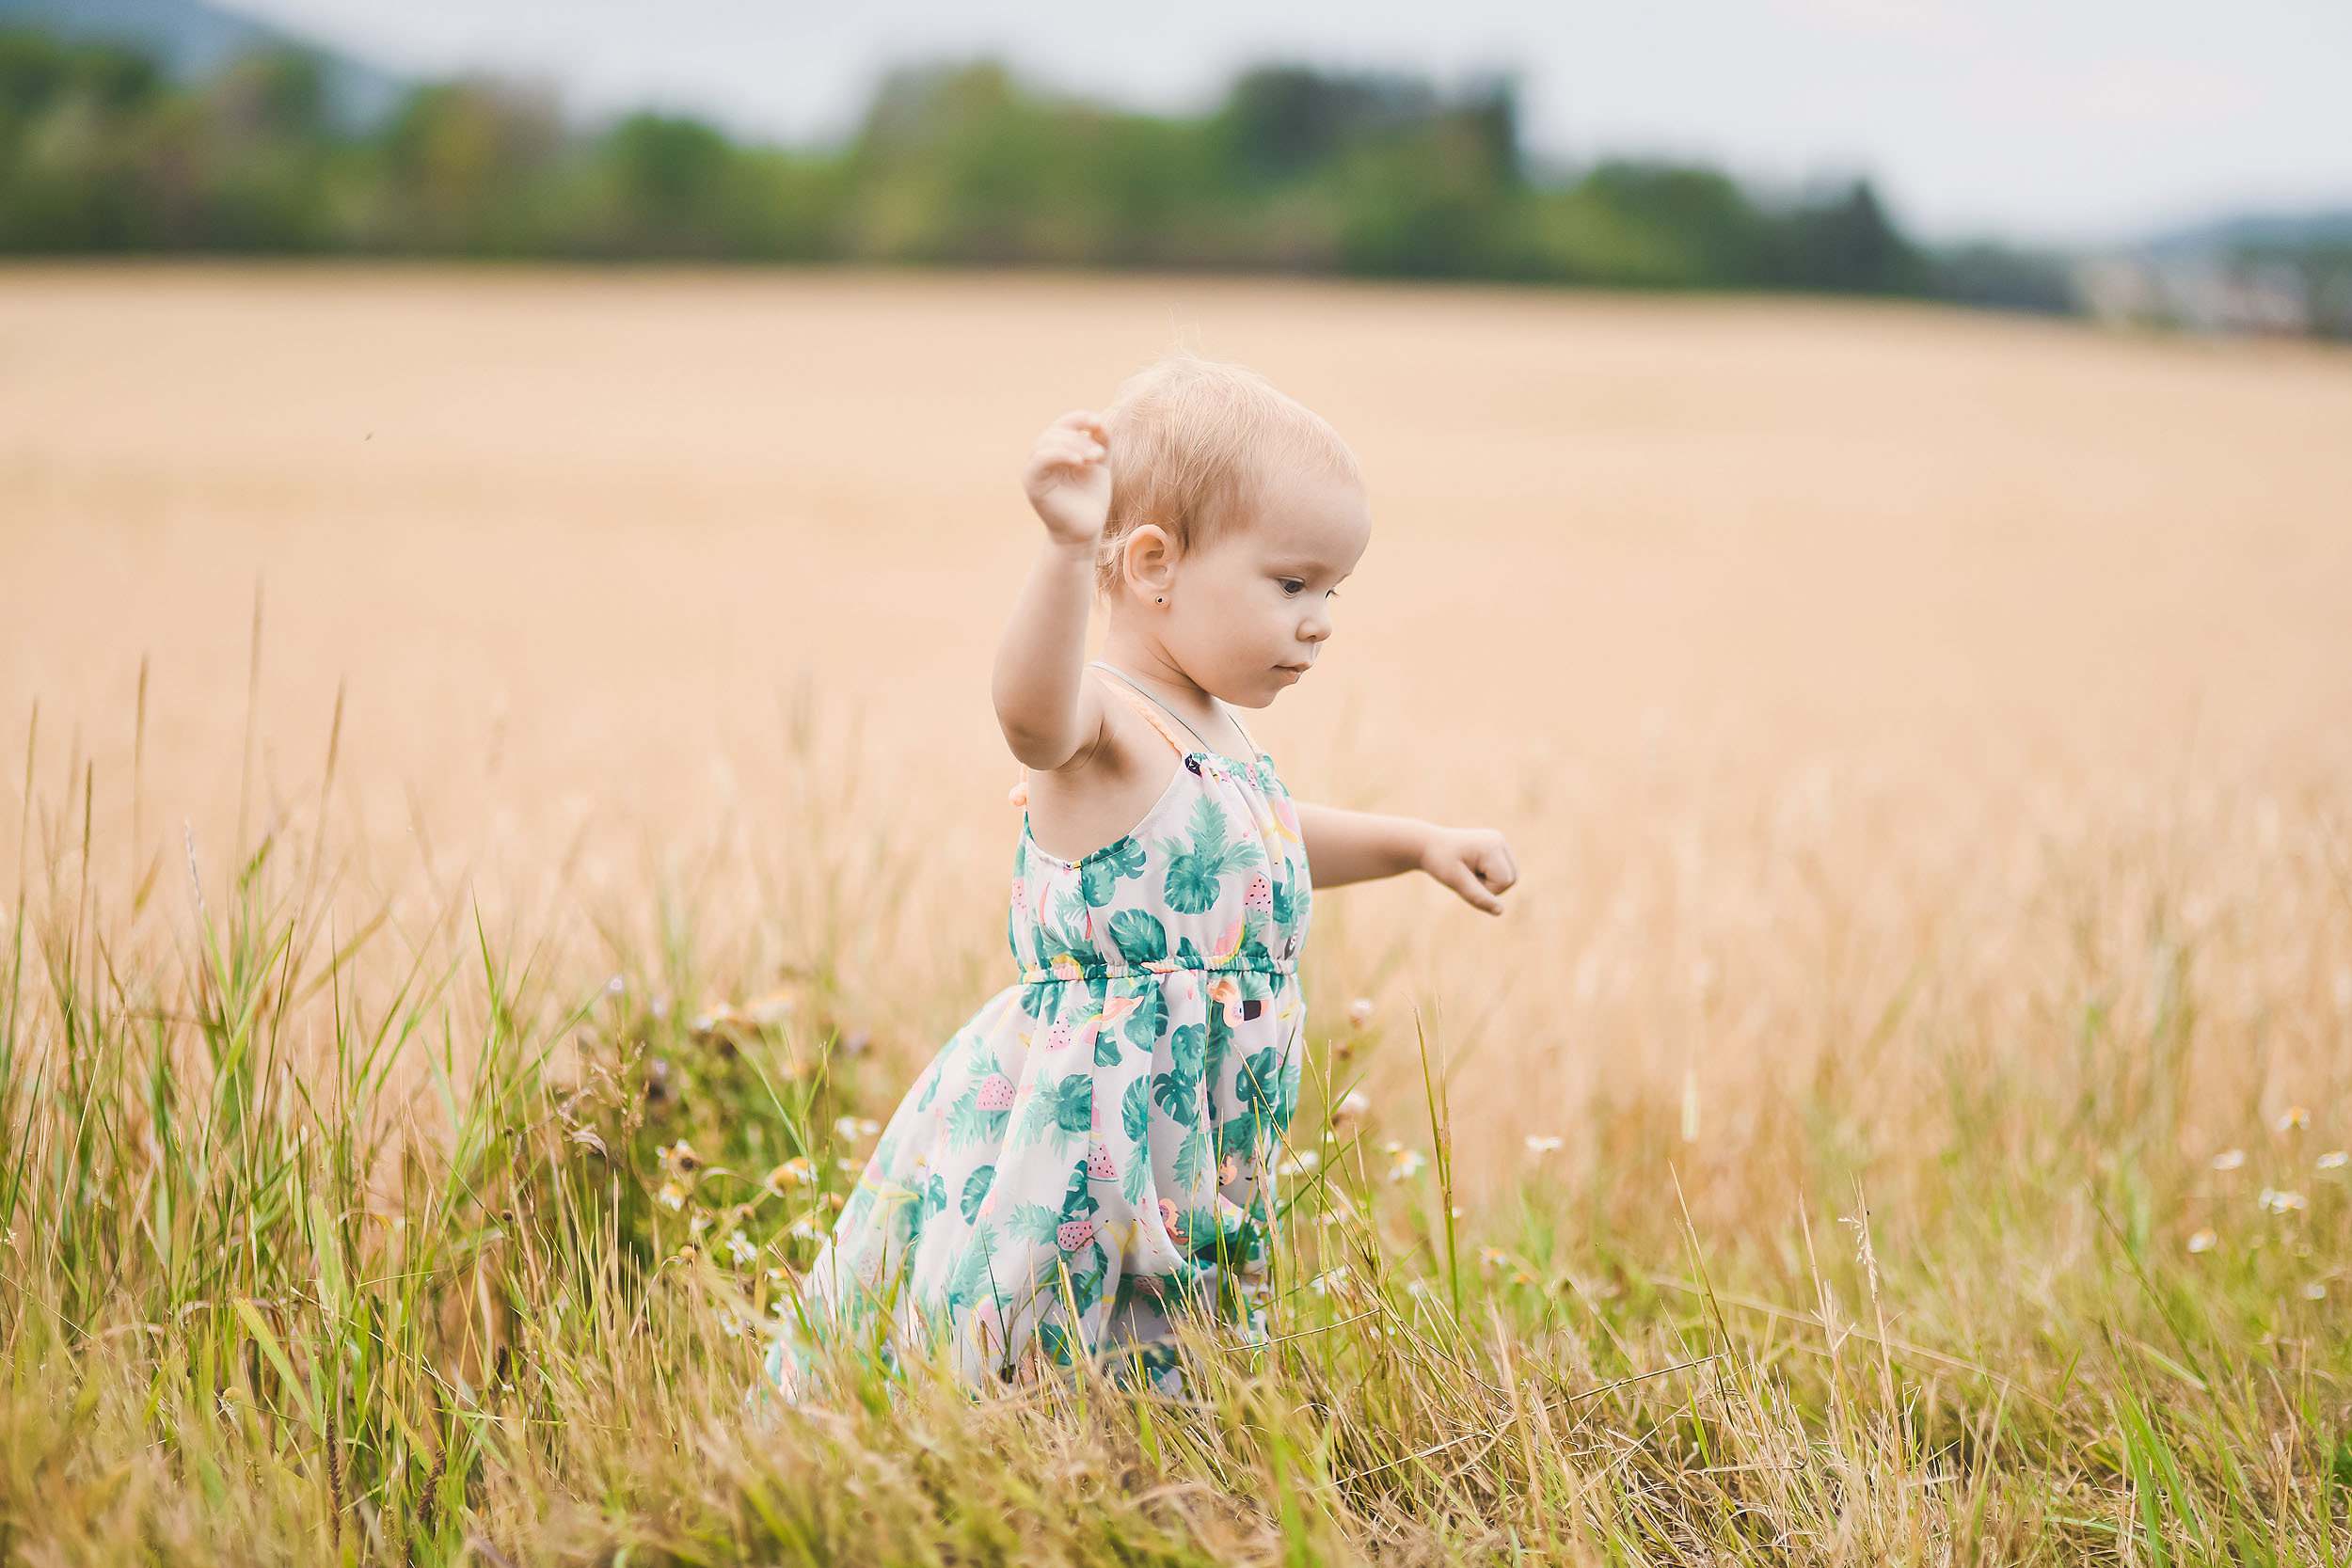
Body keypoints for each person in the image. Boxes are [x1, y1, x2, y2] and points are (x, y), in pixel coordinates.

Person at [772, 353, 1516, 1396]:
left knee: (1170, 1343)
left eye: (1333, 589)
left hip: (1188, 1137)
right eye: (1292, 583)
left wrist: (1415, 842)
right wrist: (1069, 548)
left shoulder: (1213, 735)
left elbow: (1257, 840)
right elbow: (1030, 716)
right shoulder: (1104, 724)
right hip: (1089, 1138)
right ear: (1156, 564)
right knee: (1057, 1333)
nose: (1321, 620)